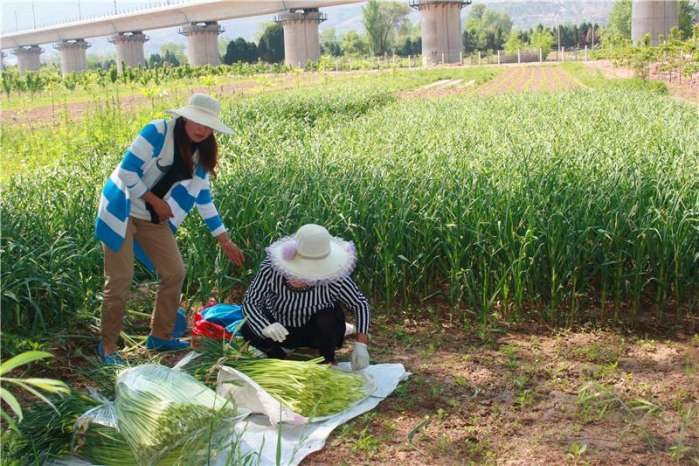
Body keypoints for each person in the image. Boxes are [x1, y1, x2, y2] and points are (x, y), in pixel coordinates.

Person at [95, 93, 244, 365]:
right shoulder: (157, 132)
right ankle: (107, 346)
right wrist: (154, 200)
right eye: (197, 121)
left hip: (152, 217)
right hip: (123, 209)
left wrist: (224, 240)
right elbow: (127, 173)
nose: (201, 129)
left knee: (174, 272)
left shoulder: (201, 153)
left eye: (208, 125)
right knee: (120, 280)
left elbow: (203, 198)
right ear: (185, 117)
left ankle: (160, 336)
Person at [241, 224, 371, 371]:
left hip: (314, 331)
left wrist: (361, 344)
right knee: (247, 327)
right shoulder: (271, 269)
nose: (298, 277)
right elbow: (251, 301)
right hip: (279, 327)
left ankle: (327, 358)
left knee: (328, 316)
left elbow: (360, 303)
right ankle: (277, 352)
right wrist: (264, 326)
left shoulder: (335, 276)